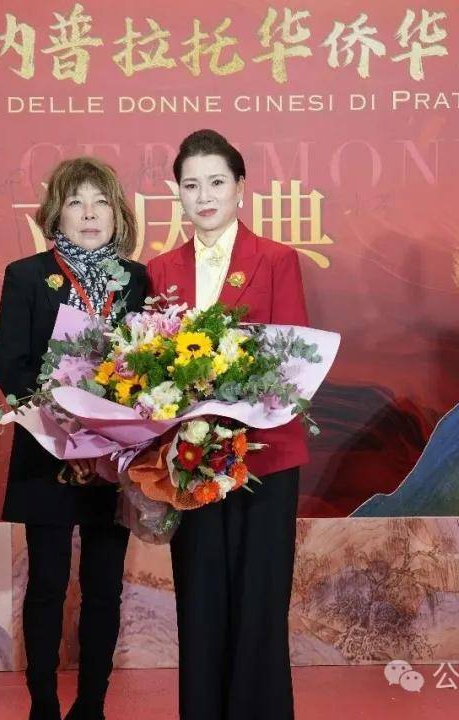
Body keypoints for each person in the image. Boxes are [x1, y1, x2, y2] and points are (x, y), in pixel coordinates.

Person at [146, 130, 310, 719]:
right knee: (200, 593)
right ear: (178, 194)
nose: (205, 196)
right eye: (191, 185)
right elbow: (150, 364)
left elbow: (291, 360)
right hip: (190, 461)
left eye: (216, 182)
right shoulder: (159, 269)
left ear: (241, 187)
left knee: (260, 596)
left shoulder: (277, 259)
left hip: (266, 454)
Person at [0, 157, 150, 720]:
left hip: (116, 457)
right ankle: (42, 704)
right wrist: (63, 429)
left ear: (118, 213)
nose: (89, 213)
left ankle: (91, 705)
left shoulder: (137, 280)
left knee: (105, 587)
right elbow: (11, 368)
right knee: (47, 583)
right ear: (55, 213)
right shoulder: (27, 276)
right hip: (48, 453)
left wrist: (109, 433)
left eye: (101, 202)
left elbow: (150, 366)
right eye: (76, 201)